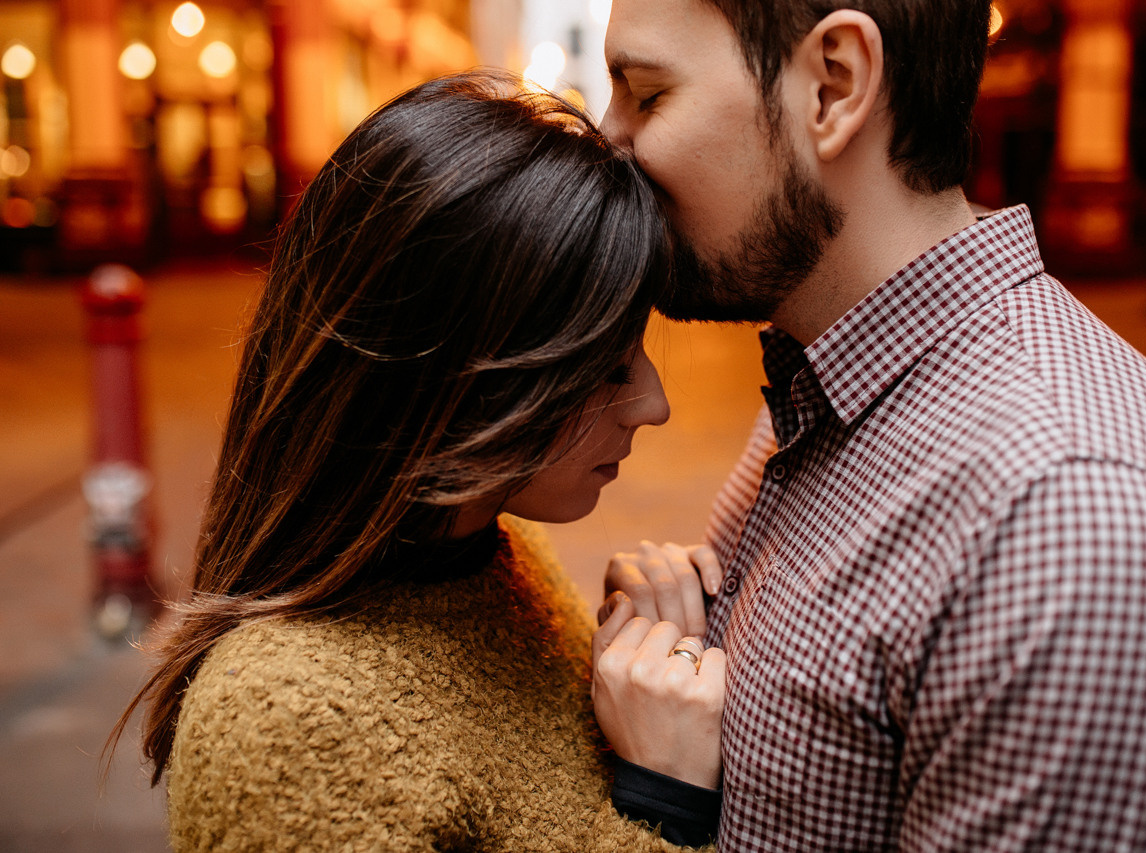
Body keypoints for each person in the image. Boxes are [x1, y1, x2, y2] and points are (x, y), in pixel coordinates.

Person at [593, 0, 1146, 849]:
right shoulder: (829, 377)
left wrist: (665, 806)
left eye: (646, 94)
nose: (609, 135)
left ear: (834, 85)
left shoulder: (1072, 531)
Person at [108, 70, 726, 851]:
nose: (654, 403)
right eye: (605, 364)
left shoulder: (490, 554)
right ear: (455, 375)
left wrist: (639, 665)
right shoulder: (293, 724)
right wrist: (665, 797)